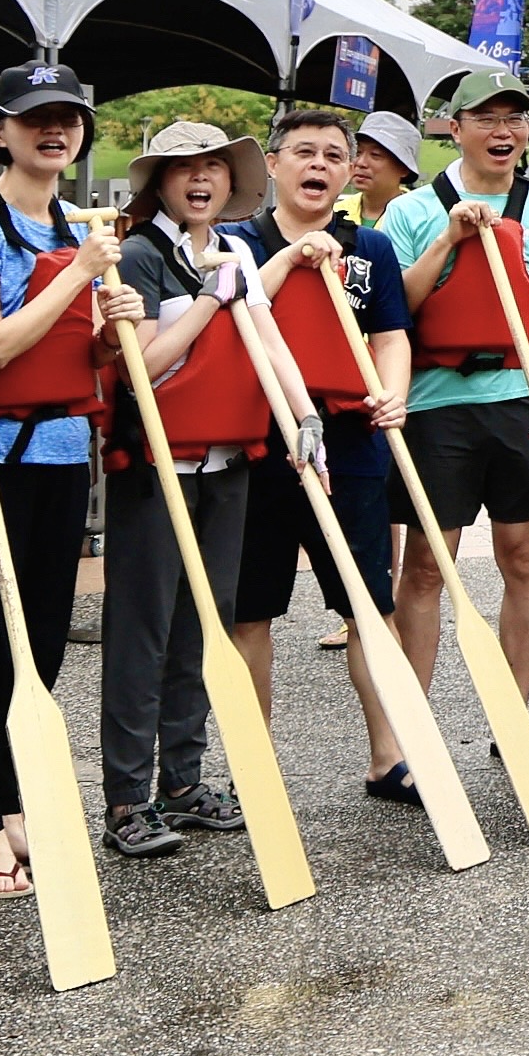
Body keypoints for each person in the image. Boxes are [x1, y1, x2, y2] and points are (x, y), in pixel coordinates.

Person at [0, 60, 140, 906]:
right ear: (1, 131)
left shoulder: (73, 220)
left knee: (42, 648)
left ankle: (20, 804)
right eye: (35, 119)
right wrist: (85, 276)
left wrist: (107, 333)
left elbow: (65, 350)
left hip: (60, 454)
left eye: (68, 119)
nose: (55, 132)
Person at [223, 108, 427, 802]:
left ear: (348, 171)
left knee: (370, 605)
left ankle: (389, 756)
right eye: (303, 152)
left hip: (350, 440)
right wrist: (288, 261)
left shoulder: (370, 247)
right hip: (259, 436)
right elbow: (227, 323)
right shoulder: (236, 245)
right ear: (274, 164)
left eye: (334, 155)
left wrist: (392, 394)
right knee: (250, 610)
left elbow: (392, 335)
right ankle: (255, 768)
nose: (318, 165)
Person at [380, 71, 529, 728]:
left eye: (515, 119)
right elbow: (393, 310)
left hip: (520, 402)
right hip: (435, 404)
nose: (503, 132)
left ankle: (515, 718)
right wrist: (448, 240)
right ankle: (413, 726)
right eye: (486, 118)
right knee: (424, 567)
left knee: (523, 556)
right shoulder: (410, 213)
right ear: (454, 129)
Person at [97, 121, 273, 856]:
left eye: (214, 167)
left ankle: (185, 781)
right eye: (184, 169)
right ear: (158, 183)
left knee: (206, 626)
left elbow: (266, 343)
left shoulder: (236, 251)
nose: (201, 179)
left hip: (227, 464)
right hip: (154, 466)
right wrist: (208, 300)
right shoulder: (137, 255)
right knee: (143, 630)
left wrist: (303, 423)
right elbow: (145, 364)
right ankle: (127, 798)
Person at [350, 106, 436, 643]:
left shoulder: (413, 216)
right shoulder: (338, 209)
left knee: (387, 491)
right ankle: (356, 604)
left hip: (396, 369)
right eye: (360, 152)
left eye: (377, 156)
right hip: (341, 369)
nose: (362, 163)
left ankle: (386, 592)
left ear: (403, 166)